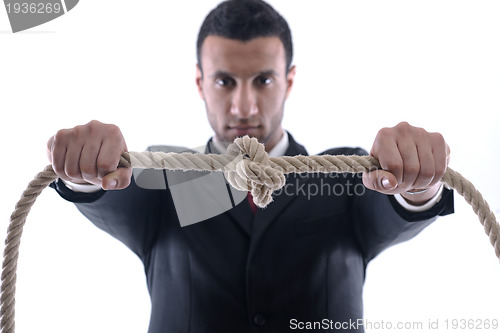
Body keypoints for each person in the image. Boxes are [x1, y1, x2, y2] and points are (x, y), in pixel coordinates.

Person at [47, 0, 454, 332]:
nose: (245, 107)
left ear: (289, 81)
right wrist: (87, 170)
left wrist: (416, 182)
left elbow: (395, 205)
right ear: (200, 83)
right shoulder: (162, 177)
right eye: (225, 81)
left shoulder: (346, 176)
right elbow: (113, 193)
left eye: (263, 80)